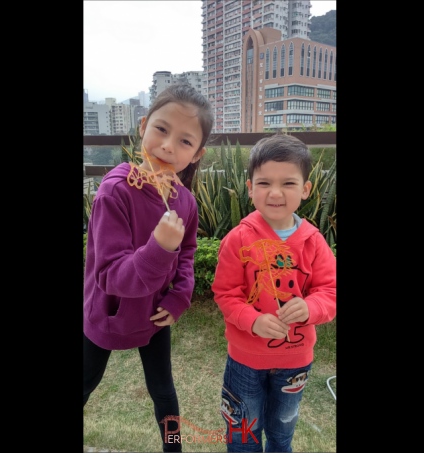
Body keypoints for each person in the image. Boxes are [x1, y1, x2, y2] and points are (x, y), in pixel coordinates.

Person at [83, 83, 214, 453]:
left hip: (154, 316)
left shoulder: (184, 202)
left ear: (197, 153)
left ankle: (174, 448)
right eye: (161, 129)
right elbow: (109, 274)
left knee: (164, 393)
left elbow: (187, 255)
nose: (169, 146)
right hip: (107, 314)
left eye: (185, 142)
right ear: (143, 126)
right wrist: (158, 248)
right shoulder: (115, 192)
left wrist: (178, 299)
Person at [211, 134, 336, 452]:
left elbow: (330, 291)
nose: (276, 193)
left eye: (289, 183)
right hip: (244, 360)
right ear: (250, 188)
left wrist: (310, 308)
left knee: (281, 435)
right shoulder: (237, 239)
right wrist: (251, 320)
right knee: (242, 436)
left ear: (306, 190)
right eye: (264, 183)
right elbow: (226, 294)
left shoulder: (314, 241)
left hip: (296, 361)